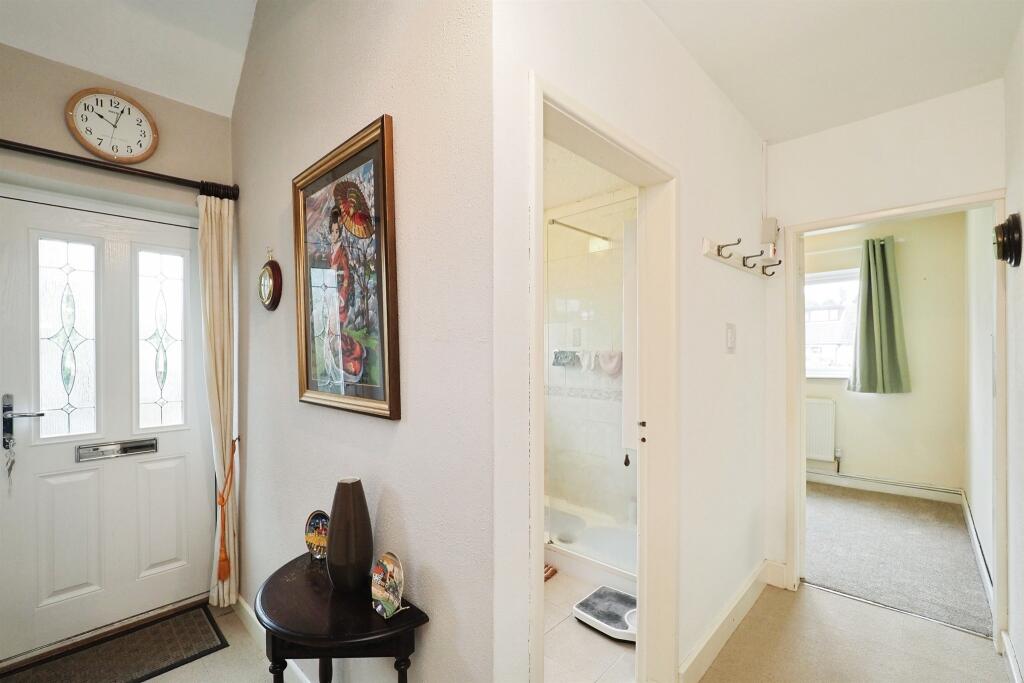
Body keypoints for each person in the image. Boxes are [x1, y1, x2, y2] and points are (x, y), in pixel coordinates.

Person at [327, 208, 365, 381]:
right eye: (332, 231)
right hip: (330, 291)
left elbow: (347, 275)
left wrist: (342, 295)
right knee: (331, 327)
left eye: (337, 231)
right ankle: (337, 352)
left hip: (339, 295)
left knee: (336, 325)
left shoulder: (342, 251)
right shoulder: (331, 251)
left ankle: (348, 353)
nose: (334, 234)